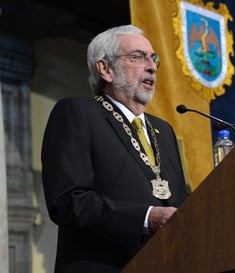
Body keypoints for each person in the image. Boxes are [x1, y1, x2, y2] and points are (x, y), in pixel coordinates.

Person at [41, 24, 190, 273]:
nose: (152, 66)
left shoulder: (163, 131)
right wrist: (146, 216)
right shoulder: (77, 113)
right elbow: (68, 202)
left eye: (153, 58)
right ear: (106, 69)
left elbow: (178, 198)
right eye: (137, 57)